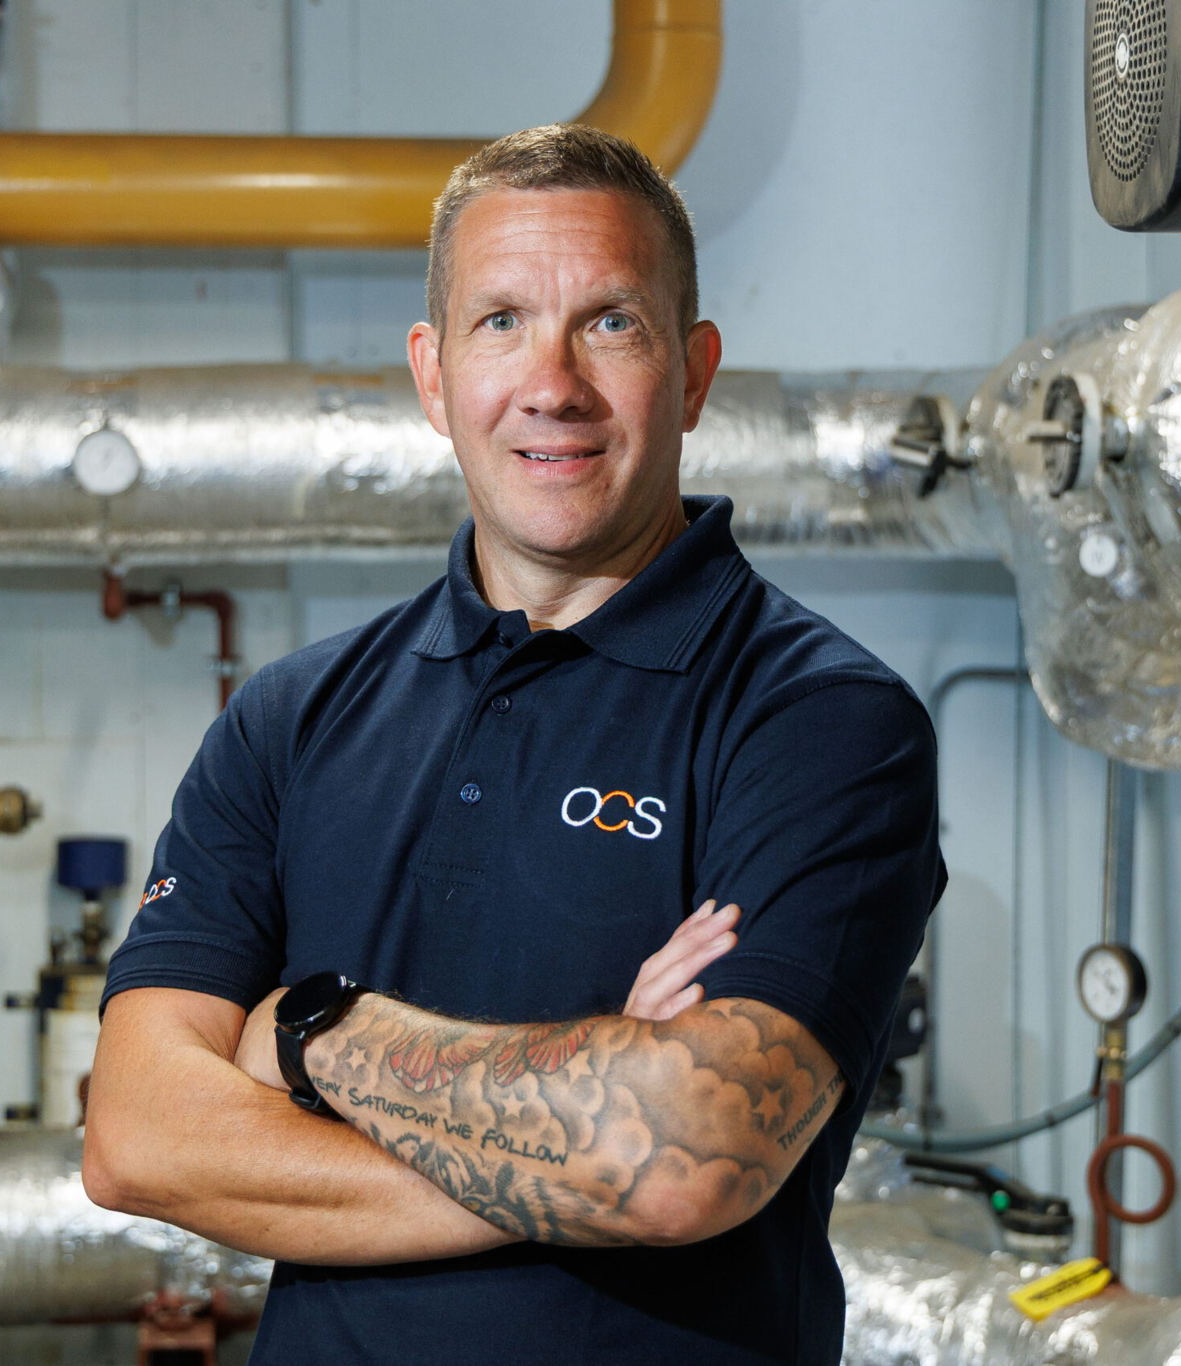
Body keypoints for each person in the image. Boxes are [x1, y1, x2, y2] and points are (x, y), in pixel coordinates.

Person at [83, 123, 945, 1365]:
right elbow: (136, 1137)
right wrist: (581, 1149)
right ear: (432, 378)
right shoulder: (289, 719)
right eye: (499, 323)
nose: (552, 384)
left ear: (692, 373)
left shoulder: (819, 723)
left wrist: (307, 1035)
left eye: (610, 323)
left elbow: (685, 1160)